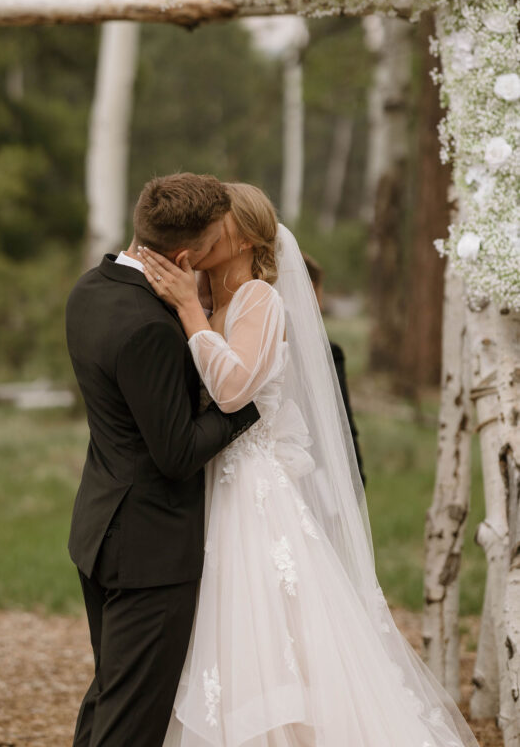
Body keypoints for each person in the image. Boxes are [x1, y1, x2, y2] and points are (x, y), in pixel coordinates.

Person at [139, 183, 479, 747]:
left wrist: (187, 311)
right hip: (208, 481)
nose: (203, 236)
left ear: (243, 236)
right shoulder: (208, 292)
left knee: (269, 626)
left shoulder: (257, 300)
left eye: (217, 225)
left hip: (252, 490)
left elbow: (230, 390)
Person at [66, 173, 260, 747]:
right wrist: (247, 407)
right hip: (149, 551)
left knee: (109, 700)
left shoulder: (90, 289)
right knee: (130, 725)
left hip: (102, 527)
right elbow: (176, 453)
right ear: (182, 256)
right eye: (213, 241)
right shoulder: (149, 326)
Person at [302, 249, 366, 486]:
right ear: (308, 288)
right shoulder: (326, 352)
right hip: (319, 481)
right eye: (320, 290)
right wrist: (357, 479)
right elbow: (344, 426)